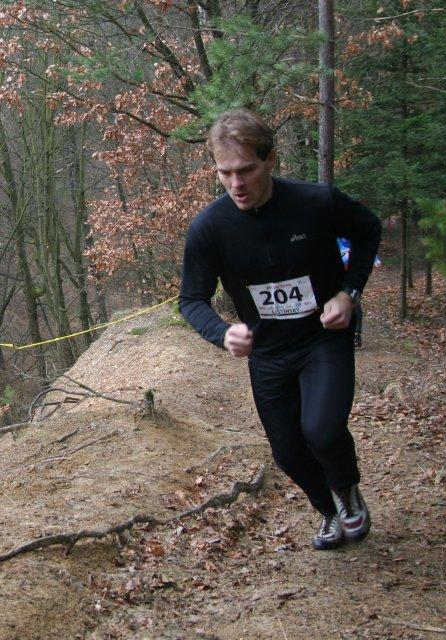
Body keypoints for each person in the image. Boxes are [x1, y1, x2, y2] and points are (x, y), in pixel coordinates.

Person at [179, 108, 381, 550]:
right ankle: (328, 510)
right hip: (268, 353)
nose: (236, 183)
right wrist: (221, 332)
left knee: (322, 430)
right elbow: (191, 299)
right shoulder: (210, 228)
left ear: (270, 160)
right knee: (288, 453)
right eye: (225, 173)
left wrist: (348, 292)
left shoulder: (316, 202)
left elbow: (369, 231)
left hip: (322, 339)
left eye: (246, 170)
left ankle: (345, 488)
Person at [338, 238, 382, 348]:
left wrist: (375, 259)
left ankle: (356, 334)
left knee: (354, 303)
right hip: (336, 278)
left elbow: (367, 251)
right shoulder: (336, 240)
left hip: (352, 280)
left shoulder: (356, 238)